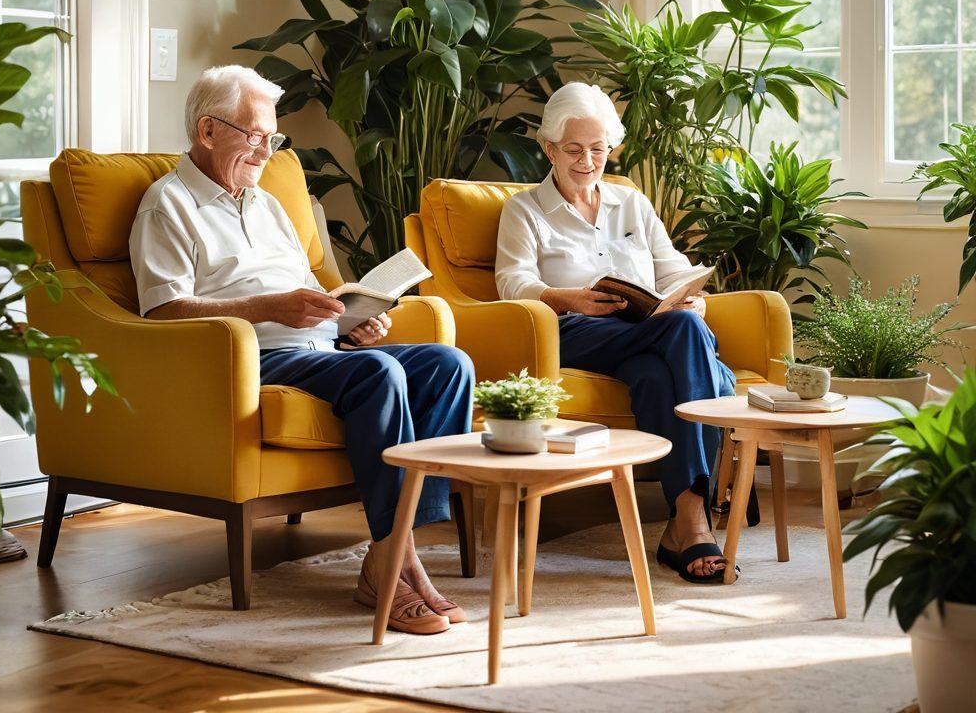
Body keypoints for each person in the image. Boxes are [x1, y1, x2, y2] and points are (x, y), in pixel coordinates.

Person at [129, 65, 474, 633]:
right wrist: (267, 310)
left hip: (317, 348)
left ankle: (391, 553)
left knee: (447, 365)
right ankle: (397, 566)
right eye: (254, 135)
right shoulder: (167, 205)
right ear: (207, 131)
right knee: (379, 376)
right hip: (251, 357)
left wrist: (349, 322)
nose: (266, 150)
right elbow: (162, 311)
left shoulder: (267, 205)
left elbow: (308, 294)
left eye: (273, 138)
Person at [495, 81, 737, 584]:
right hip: (574, 332)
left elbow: (671, 269)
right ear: (549, 149)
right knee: (684, 335)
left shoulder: (632, 203)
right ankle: (695, 512)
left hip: (642, 335)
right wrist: (568, 298)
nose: (587, 160)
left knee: (655, 372)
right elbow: (511, 282)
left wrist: (691, 295)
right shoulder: (524, 210)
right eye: (574, 150)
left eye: (598, 149)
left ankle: (682, 521)